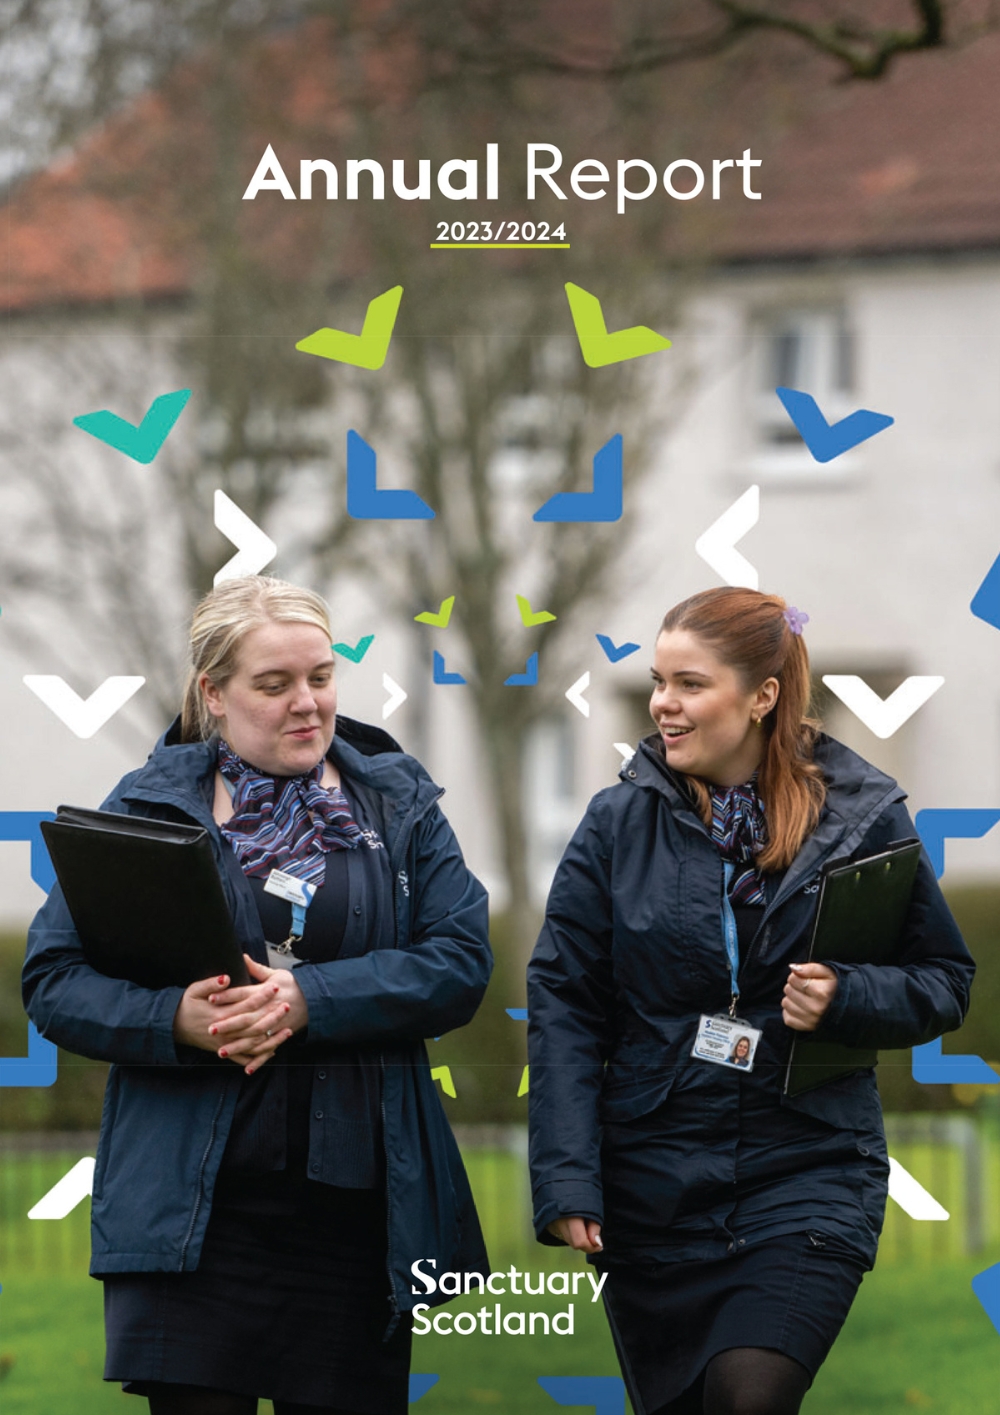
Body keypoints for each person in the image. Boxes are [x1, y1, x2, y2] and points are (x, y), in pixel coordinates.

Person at [23, 575, 493, 1415]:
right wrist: (175, 1019)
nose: (307, 703)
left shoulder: (401, 802)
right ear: (213, 693)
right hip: (192, 1217)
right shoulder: (147, 807)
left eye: (320, 676)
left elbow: (459, 960)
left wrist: (311, 997)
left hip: (355, 1215)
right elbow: (54, 980)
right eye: (274, 685)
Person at [526, 587, 975, 1415]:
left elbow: (945, 979)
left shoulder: (863, 821)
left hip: (806, 1168)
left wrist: (848, 995)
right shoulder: (616, 824)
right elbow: (563, 999)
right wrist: (566, 1175)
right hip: (653, 1186)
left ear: (762, 695)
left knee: (750, 1398)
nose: (664, 703)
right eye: (660, 681)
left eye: (690, 683)